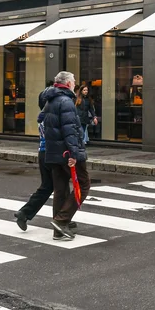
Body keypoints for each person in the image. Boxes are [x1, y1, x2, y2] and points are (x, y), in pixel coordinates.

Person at [14, 86, 77, 239]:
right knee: (62, 185)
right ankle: (63, 219)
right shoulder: (51, 115)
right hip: (53, 153)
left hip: (42, 152)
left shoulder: (42, 115)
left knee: (48, 186)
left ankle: (25, 213)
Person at [43, 71, 89, 240]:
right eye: (74, 80)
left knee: (60, 189)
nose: (75, 83)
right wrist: (74, 153)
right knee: (83, 185)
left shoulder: (50, 101)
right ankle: (62, 220)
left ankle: (58, 229)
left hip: (53, 151)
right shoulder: (66, 102)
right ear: (68, 83)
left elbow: (42, 121)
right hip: (67, 152)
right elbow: (71, 130)